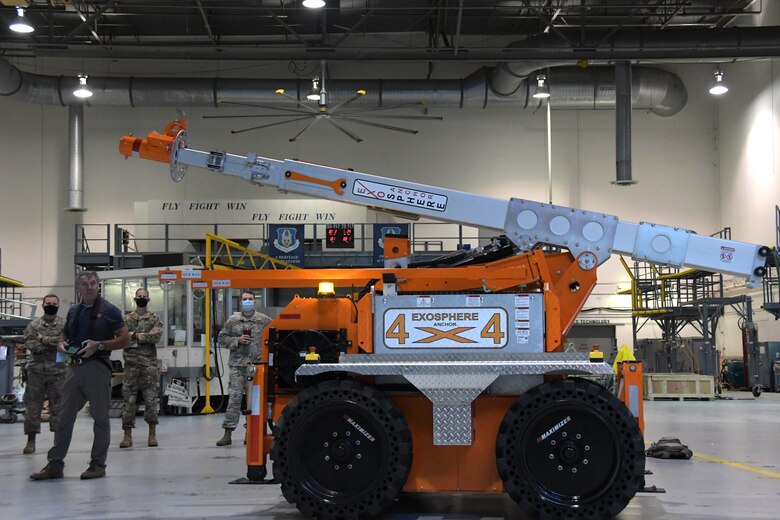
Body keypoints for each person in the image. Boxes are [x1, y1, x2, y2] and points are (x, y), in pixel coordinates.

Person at [30, 271, 129, 481]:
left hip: (98, 368)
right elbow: (65, 334)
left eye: (93, 283)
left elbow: (125, 339)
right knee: (63, 416)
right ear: (78, 288)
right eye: (85, 284)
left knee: (100, 417)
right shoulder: (74, 310)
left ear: (98, 286)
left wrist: (99, 345)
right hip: (74, 368)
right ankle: (55, 464)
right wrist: (61, 343)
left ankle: (98, 464)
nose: (90, 287)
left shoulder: (109, 310)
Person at [215, 289, 271, 446]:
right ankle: (227, 433)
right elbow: (221, 338)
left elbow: (275, 333)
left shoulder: (263, 320)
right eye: (245, 299)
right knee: (234, 398)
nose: (248, 302)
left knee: (253, 401)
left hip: (256, 366)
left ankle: (250, 433)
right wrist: (237, 340)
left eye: (250, 299)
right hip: (237, 366)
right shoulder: (233, 321)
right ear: (241, 302)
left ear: (254, 301)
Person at [21, 294, 66, 454]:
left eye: (54, 303)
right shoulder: (33, 325)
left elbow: (65, 343)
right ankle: (31, 441)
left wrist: (43, 340)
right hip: (36, 372)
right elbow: (30, 344)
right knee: (33, 406)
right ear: (43, 305)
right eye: (48, 303)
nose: (51, 305)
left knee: (58, 407)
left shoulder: (65, 324)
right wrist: (53, 343)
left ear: (58, 305)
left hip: (59, 371)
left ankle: (58, 442)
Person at [119, 287, 163, 448]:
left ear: (148, 299)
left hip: (149, 365)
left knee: (151, 399)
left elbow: (156, 337)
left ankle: (152, 434)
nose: (142, 298)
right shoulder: (126, 319)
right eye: (139, 296)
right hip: (131, 365)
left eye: (144, 296)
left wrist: (136, 335)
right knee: (128, 400)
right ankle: (127, 435)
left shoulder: (154, 318)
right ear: (135, 298)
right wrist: (145, 336)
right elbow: (122, 338)